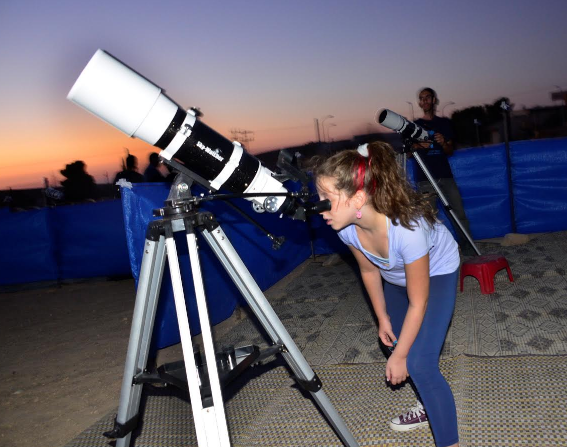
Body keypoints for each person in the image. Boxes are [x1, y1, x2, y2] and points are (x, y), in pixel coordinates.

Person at [313, 141, 460, 447]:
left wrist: (404, 355)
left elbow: (419, 302)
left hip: (437, 272)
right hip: (394, 276)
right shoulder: (346, 228)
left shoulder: (408, 230)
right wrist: (381, 317)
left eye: (327, 198)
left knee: (418, 362)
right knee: (393, 340)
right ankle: (425, 403)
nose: (320, 207)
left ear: (358, 198)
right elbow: (369, 271)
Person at [414, 87, 472, 253]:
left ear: (434, 100)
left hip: (445, 175)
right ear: (419, 103)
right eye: (422, 98)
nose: (425, 101)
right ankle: (433, 253)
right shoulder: (415, 126)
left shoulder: (444, 123)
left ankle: (468, 246)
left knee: (458, 212)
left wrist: (444, 143)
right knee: (428, 218)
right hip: (424, 178)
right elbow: (409, 152)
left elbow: (450, 151)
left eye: (427, 98)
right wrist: (419, 145)